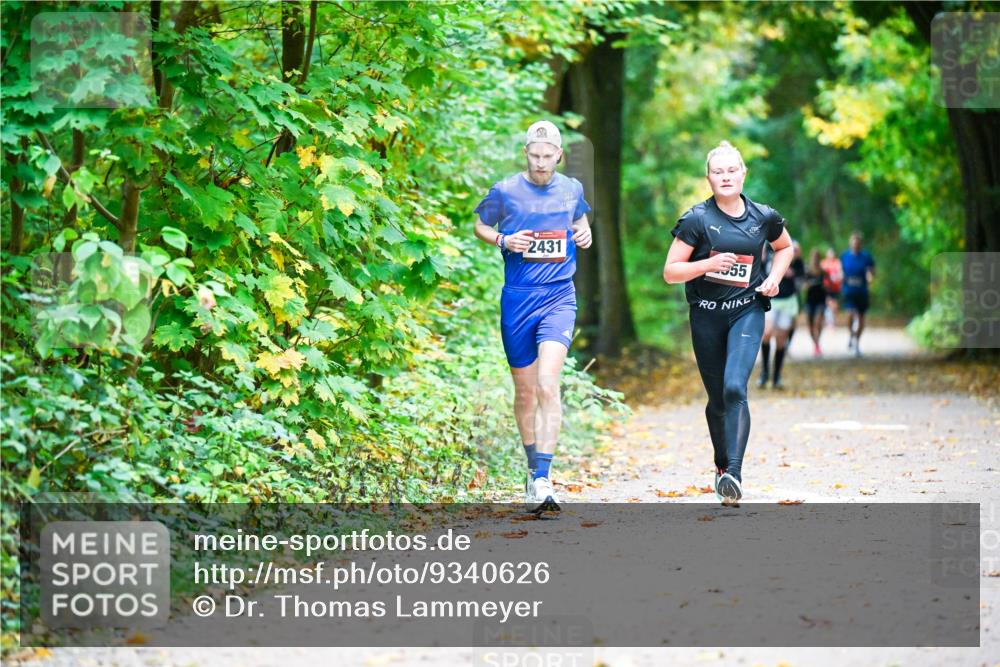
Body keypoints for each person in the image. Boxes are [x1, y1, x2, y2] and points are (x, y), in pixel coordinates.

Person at [663, 140, 793, 506]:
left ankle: (734, 472)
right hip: (705, 315)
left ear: (743, 174)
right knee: (717, 398)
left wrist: (774, 277)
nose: (725, 177)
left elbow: (785, 247)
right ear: (708, 178)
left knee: (736, 387)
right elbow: (671, 272)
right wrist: (706, 265)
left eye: (731, 170)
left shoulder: (763, 216)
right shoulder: (696, 219)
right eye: (718, 172)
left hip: (746, 310)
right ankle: (721, 467)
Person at [474, 120, 593, 513]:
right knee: (525, 392)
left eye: (549, 157)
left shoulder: (572, 189)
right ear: (526, 153)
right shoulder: (505, 191)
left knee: (547, 384)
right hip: (518, 301)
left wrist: (584, 232)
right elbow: (480, 225)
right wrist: (504, 240)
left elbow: (579, 220)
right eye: (535, 155)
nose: (542, 164)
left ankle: (543, 477)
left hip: (559, 296)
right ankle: (532, 470)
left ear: (559, 154)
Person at [758, 241, 799, 389]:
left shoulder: (791, 247)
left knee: (781, 340)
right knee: (767, 333)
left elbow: (802, 272)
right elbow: (759, 269)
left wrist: (792, 271)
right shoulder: (765, 249)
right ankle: (764, 373)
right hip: (771, 299)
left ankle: (776, 377)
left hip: (787, 299)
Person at [840, 232, 875, 356]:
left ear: (861, 244)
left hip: (862, 291)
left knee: (861, 318)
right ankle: (851, 334)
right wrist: (840, 277)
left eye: (858, 242)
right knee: (849, 315)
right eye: (854, 242)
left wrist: (870, 276)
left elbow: (871, 271)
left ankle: (856, 343)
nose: (856, 244)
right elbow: (840, 270)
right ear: (850, 243)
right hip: (849, 290)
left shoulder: (866, 257)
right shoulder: (844, 256)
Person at [803, 248, 828, 356]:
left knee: (817, 322)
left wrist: (826, 286)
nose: (815, 259)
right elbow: (803, 286)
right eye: (813, 257)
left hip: (820, 300)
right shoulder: (807, 271)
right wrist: (807, 285)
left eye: (817, 257)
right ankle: (816, 344)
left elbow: (828, 285)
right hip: (809, 301)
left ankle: (817, 345)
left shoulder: (823, 272)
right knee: (810, 325)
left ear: (819, 259)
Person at [821, 247, 843, 328]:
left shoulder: (837, 262)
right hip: (827, 287)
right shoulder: (824, 263)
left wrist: (837, 277)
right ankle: (829, 321)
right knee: (828, 302)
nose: (831, 255)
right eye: (829, 253)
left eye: (832, 253)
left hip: (836, 287)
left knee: (835, 305)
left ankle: (833, 319)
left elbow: (840, 273)